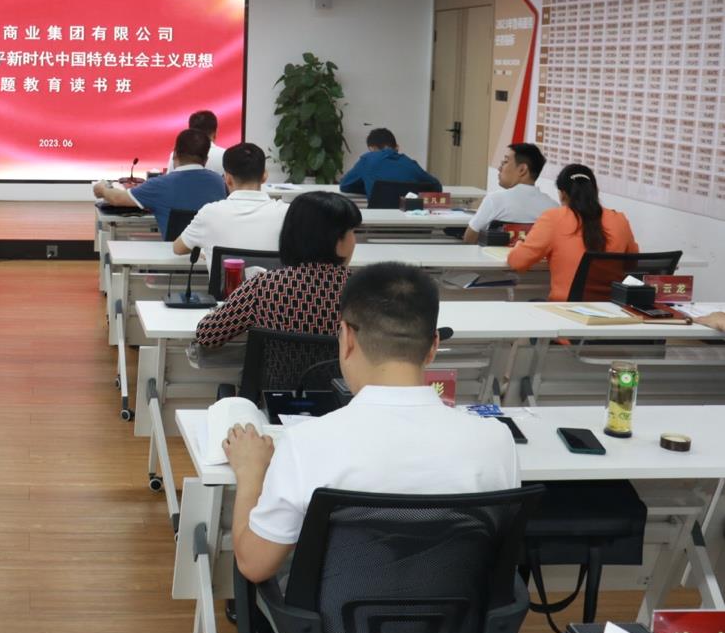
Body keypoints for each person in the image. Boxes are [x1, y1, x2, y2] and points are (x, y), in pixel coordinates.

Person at [224, 262, 519, 583]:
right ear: (433, 346)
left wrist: (250, 473)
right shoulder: (497, 442)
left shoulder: (307, 443)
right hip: (460, 614)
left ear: (347, 338)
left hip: (335, 615)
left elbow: (254, 565)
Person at [194, 191, 361, 348]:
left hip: (275, 371)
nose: (355, 240)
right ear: (337, 241)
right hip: (341, 372)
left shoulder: (263, 286)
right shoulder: (364, 292)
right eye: (353, 232)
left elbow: (206, 335)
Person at [508, 163, 639, 301]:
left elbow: (518, 262)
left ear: (562, 194)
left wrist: (519, 244)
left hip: (566, 309)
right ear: (595, 191)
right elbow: (632, 263)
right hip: (611, 307)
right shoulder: (619, 220)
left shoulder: (553, 218)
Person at [175, 143, 288, 272]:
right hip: (272, 286)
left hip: (228, 286)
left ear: (227, 178)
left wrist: (206, 248)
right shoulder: (287, 213)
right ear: (264, 176)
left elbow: (178, 248)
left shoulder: (210, 213)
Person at [94, 129, 226, 239]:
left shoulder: (159, 185)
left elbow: (117, 199)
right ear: (206, 159)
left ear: (175, 154)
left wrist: (102, 188)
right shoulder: (219, 182)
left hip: (174, 254)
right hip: (209, 257)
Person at [462, 142, 559, 244]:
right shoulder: (553, 208)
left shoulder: (495, 200)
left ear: (522, 169)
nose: (499, 168)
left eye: (505, 162)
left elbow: (469, 239)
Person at [338, 127, 441, 199]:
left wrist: (371, 188)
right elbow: (437, 187)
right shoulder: (410, 163)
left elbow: (345, 185)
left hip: (378, 222)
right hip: (410, 221)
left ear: (371, 148)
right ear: (397, 147)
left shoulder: (367, 159)